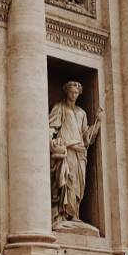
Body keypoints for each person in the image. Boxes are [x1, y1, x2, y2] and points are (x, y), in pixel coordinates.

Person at [49, 81, 101, 230]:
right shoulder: (60, 107)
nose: (73, 95)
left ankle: (75, 214)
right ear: (66, 92)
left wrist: (98, 121)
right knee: (69, 180)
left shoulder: (82, 113)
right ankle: (67, 214)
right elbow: (51, 126)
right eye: (71, 92)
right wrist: (53, 142)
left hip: (80, 151)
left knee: (79, 183)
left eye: (76, 93)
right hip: (68, 148)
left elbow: (87, 136)